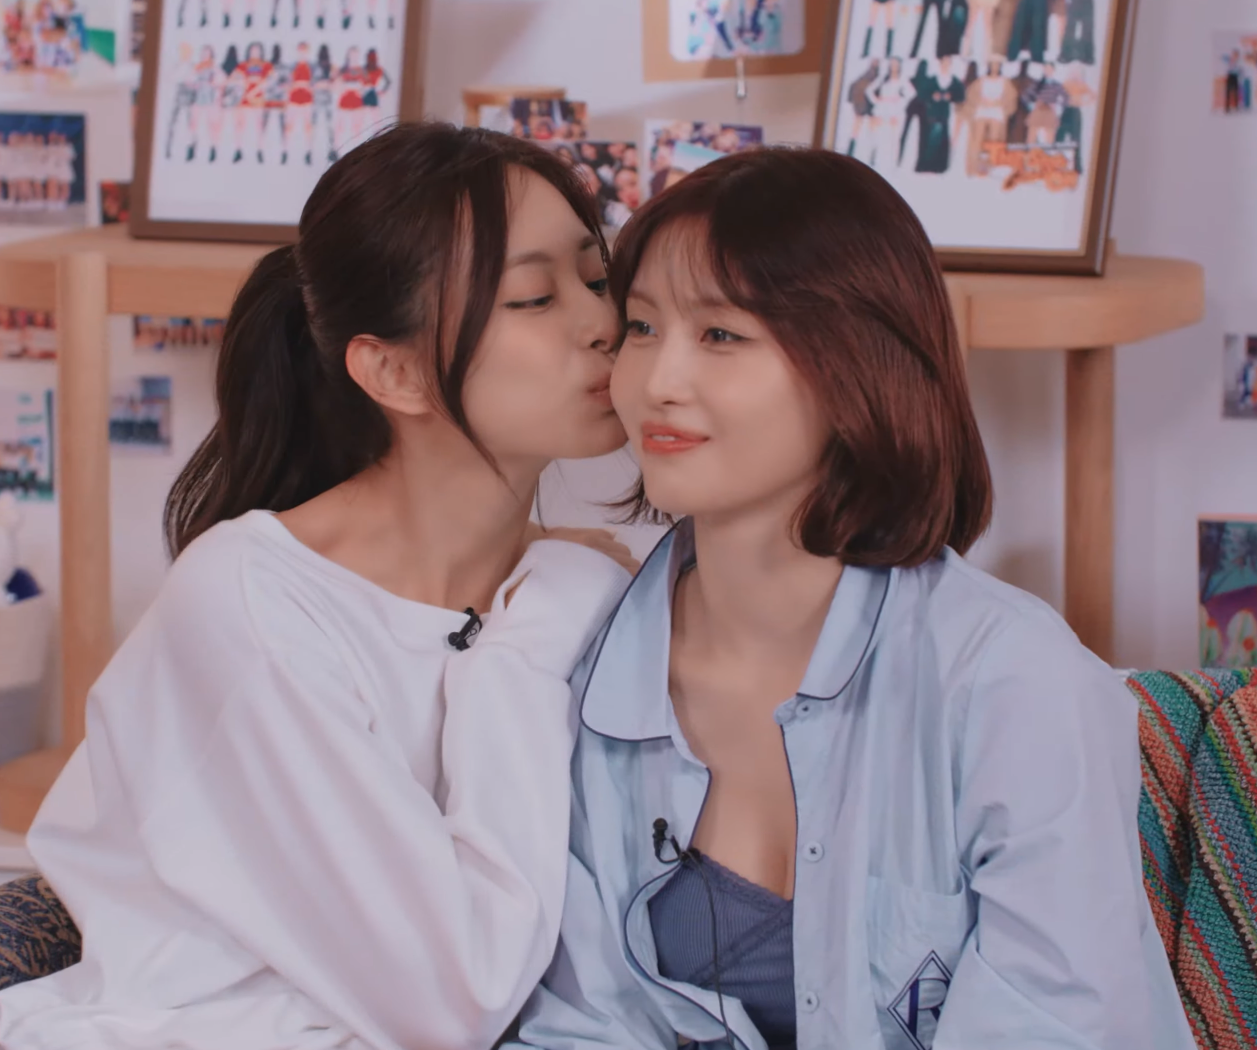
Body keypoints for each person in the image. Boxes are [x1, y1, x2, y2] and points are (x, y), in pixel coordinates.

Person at [505, 147, 1196, 1050]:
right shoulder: (583, 668)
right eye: (640, 326)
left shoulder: (1013, 683)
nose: (658, 382)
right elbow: (578, 1023)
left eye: (721, 335)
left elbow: (1056, 1028)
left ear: (853, 362)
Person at [0, 122, 637, 1050]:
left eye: (594, 276)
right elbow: (453, 995)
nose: (600, 322)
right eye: (534, 297)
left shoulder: (566, 583)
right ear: (394, 370)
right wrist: (537, 625)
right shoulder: (258, 603)